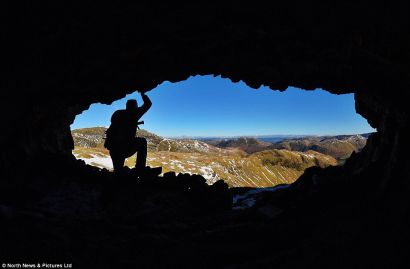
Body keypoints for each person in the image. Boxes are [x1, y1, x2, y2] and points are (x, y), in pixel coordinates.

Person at [104, 92, 152, 173]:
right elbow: (148, 104)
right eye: (137, 106)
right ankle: (140, 168)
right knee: (143, 142)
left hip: (113, 149)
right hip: (125, 147)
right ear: (135, 106)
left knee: (118, 171)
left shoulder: (118, 113)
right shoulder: (134, 113)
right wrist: (143, 93)